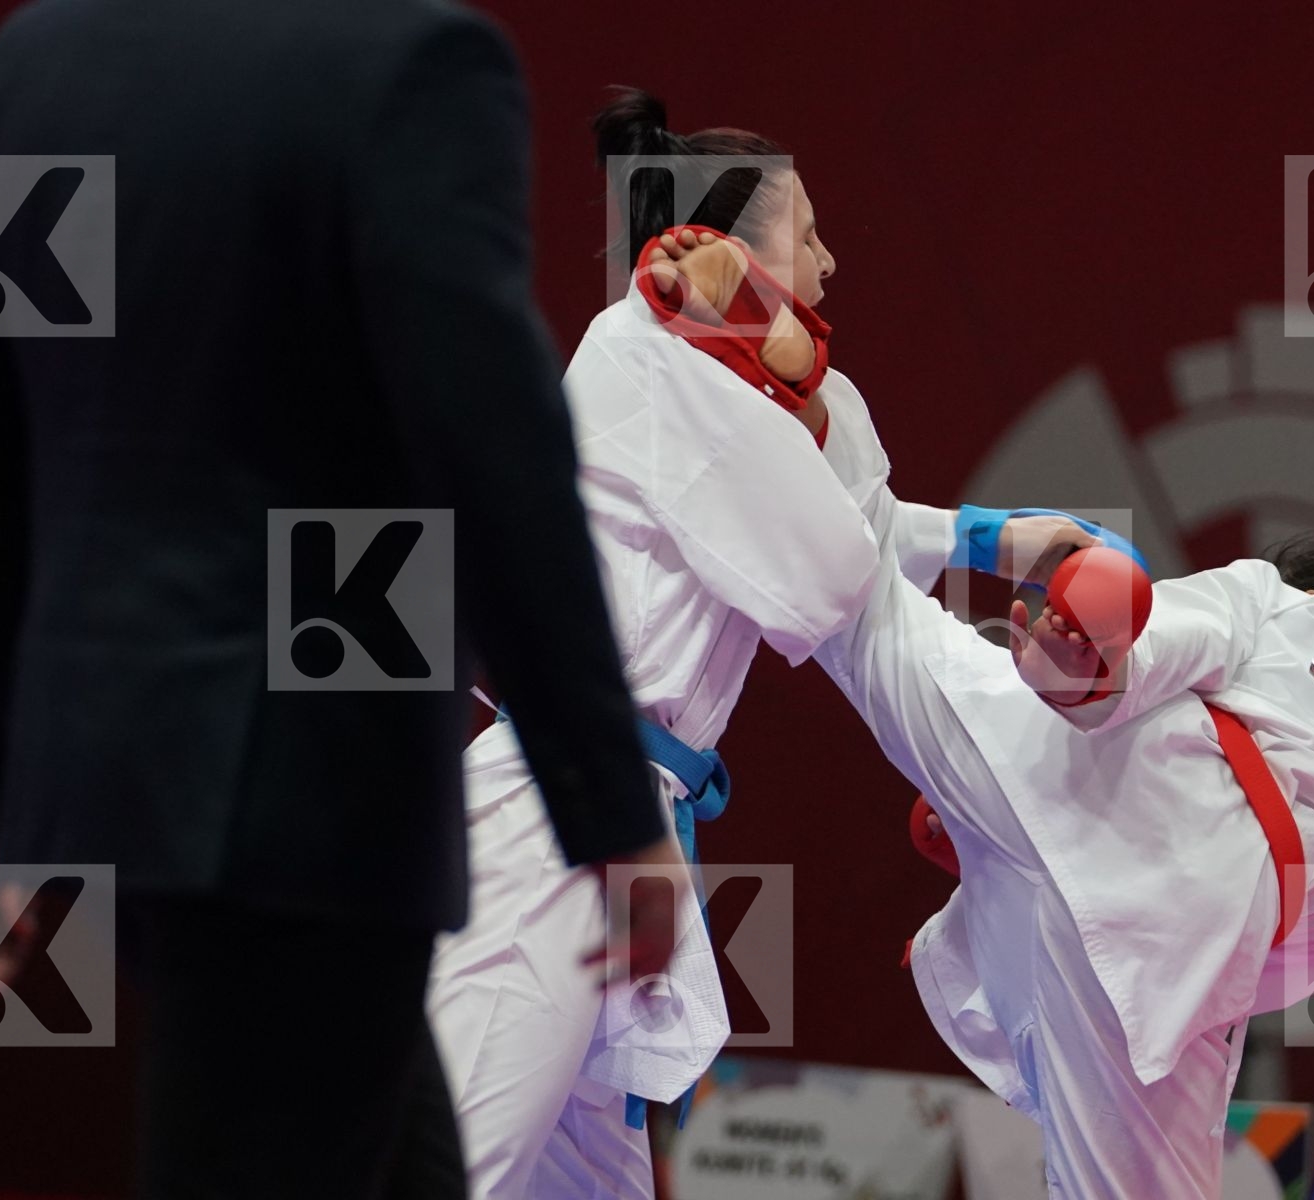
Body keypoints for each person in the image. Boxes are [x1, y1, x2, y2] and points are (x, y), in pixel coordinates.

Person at [0, 3, 680, 1196]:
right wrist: (612, 809)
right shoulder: (413, 62)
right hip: (315, 777)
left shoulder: (43, 60)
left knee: (393, 1155)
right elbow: (493, 449)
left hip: (115, 769)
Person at [425, 88, 1095, 1198]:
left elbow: (855, 527)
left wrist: (988, 536)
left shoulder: (734, 381)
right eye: (808, 232)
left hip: (615, 823)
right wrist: (805, 392)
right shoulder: (645, 350)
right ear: (729, 250)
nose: (830, 263)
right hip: (556, 819)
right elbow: (831, 572)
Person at [806, 423, 1314, 1196]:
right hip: (1172, 945)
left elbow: (1163, 642)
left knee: (857, 597)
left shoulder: (1287, 605)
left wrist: (1091, 676)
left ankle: (784, 385)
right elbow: (1263, 961)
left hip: (1062, 773)